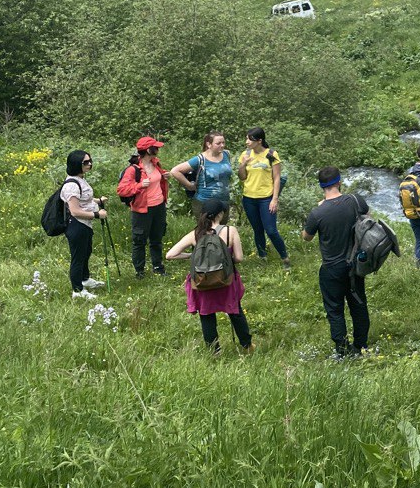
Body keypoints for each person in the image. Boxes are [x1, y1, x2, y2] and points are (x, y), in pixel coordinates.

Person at [165, 198, 254, 355]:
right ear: (220, 214)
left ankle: (214, 351)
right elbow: (239, 258)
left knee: (206, 314)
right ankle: (247, 346)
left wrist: (191, 256)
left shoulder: (196, 234)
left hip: (202, 281)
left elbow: (170, 255)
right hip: (225, 280)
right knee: (235, 312)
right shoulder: (230, 231)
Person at [302, 167, 370, 358]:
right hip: (355, 265)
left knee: (335, 309)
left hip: (331, 268)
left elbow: (306, 237)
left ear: (321, 186)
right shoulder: (355, 201)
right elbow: (368, 219)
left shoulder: (318, 212)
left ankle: (342, 350)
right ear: (339, 182)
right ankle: (361, 345)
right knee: (358, 304)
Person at [116, 136, 170, 278]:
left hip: (159, 206)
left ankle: (158, 266)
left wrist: (164, 177)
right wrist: (140, 185)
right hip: (141, 210)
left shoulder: (156, 163)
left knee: (157, 238)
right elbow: (121, 190)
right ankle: (139, 270)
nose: (158, 149)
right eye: (155, 147)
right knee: (139, 240)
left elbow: (157, 181)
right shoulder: (133, 170)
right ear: (148, 150)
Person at [236, 127, 290, 270]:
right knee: (257, 229)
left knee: (271, 230)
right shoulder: (245, 154)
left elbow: (277, 177)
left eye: (250, 139)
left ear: (259, 141)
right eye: (246, 138)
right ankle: (262, 257)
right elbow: (242, 177)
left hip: (266, 198)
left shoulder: (271, 154)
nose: (247, 142)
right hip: (249, 198)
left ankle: (285, 258)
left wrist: (275, 199)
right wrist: (243, 164)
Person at [62, 150, 107, 298]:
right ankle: (77, 290)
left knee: (86, 252)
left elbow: (83, 199)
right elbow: (74, 210)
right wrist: (96, 214)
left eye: (90, 161)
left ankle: (85, 279)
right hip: (77, 225)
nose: (90, 164)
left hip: (85, 225)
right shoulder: (71, 185)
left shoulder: (80, 179)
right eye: (85, 162)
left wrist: (97, 201)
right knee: (78, 257)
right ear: (76, 164)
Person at [170, 132, 233, 215]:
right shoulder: (200, 159)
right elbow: (175, 171)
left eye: (223, 142)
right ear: (209, 144)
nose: (222, 145)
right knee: (206, 228)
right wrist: (189, 185)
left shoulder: (226, 154)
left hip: (224, 201)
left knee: (221, 228)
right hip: (205, 202)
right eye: (218, 143)